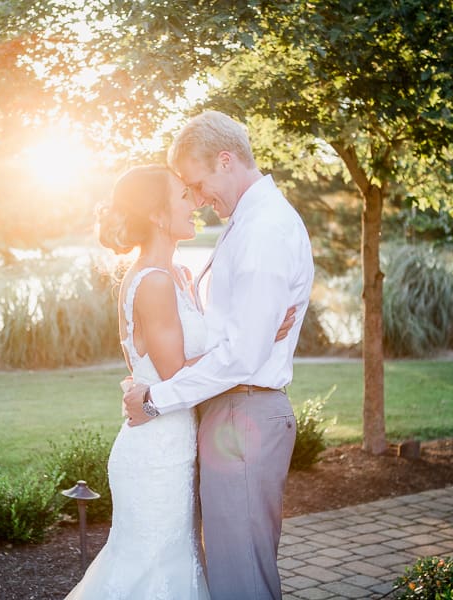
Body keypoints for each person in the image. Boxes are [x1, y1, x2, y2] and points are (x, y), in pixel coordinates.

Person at [65, 164, 295, 599]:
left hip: (176, 439)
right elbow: (174, 373)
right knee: (153, 571)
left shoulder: (179, 276)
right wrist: (255, 338)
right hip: (156, 453)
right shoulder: (153, 282)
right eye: (183, 196)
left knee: (176, 564)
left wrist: (253, 329)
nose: (196, 203)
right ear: (156, 214)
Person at [123, 111, 315, 600]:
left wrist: (155, 401)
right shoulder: (248, 220)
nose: (199, 197)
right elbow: (239, 339)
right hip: (233, 410)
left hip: (244, 411)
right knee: (236, 572)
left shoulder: (264, 228)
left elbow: (241, 357)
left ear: (226, 160)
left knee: (241, 582)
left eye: (198, 182)